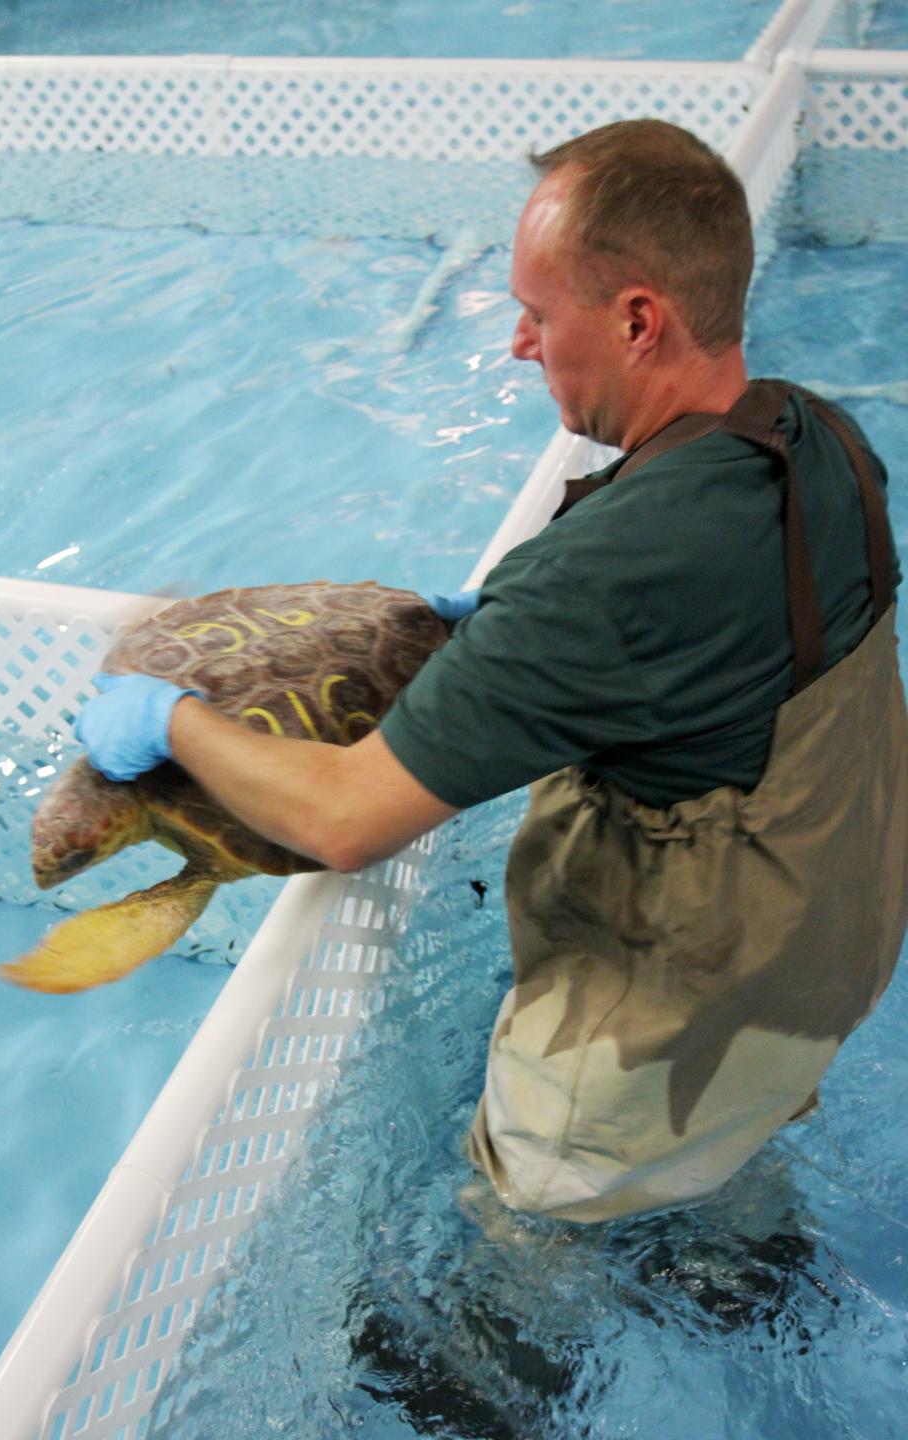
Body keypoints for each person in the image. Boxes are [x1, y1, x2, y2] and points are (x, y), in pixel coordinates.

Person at [76, 119, 908, 1224]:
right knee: (715, 1194)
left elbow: (346, 820)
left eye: (537, 311)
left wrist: (172, 723)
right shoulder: (823, 439)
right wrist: (520, 642)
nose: (519, 343)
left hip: (645, 1048)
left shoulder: (605, 576)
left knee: (507, 1269)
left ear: (638, 319)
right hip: (814, 986)